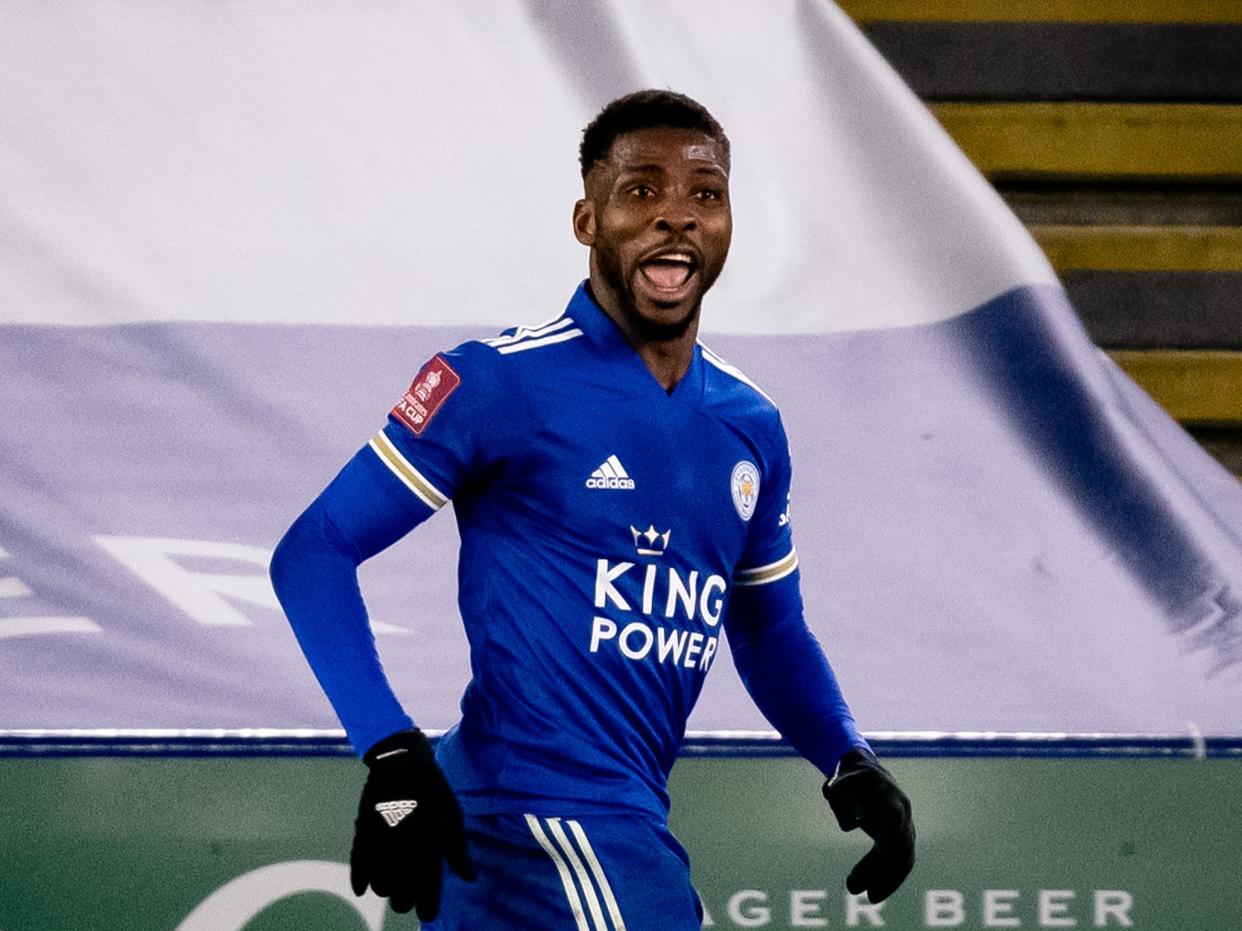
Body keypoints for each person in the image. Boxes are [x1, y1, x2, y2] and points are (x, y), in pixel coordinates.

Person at [270, 88, 915, 929]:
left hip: (605, 819)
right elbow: (313, 549)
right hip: (536, 818)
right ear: (587, 220)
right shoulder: (498, 382)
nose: (676, 217)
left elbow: (767, 628)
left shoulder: (751, 425)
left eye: (705, 195)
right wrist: (391, 753)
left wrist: (845, 755)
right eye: (642, 191)